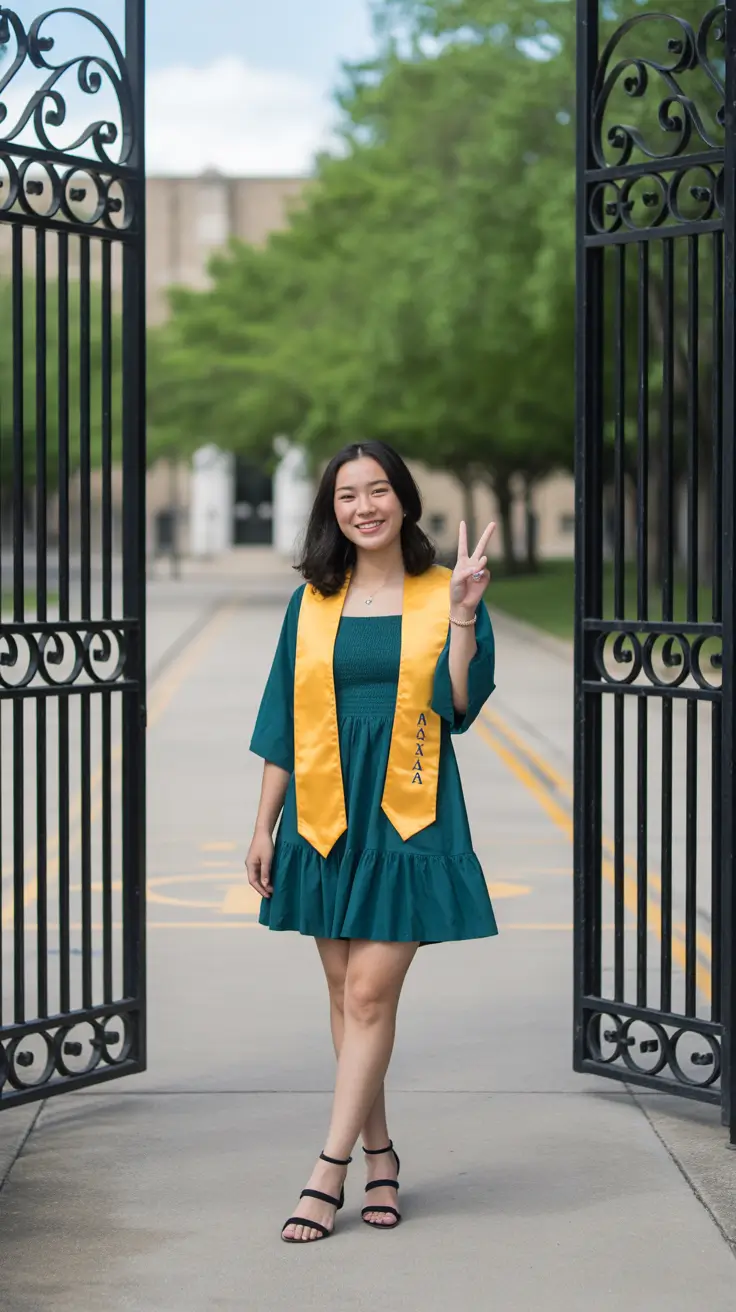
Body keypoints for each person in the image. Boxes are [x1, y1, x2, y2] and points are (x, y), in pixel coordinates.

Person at [245, 440, 498, 1243]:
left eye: (379, 490)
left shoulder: (441, 590)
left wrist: (461, 616)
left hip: (410, 812)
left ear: (404, 499)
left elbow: (458, 706)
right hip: (327, 814)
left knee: (367, 995)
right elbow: (284, 719)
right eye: (348, 495)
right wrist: (263, 824)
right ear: (332, 511)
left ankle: (329, 1171)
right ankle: (381, 1151)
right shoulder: (313, 602)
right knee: (345, 995)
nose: (365, 506)